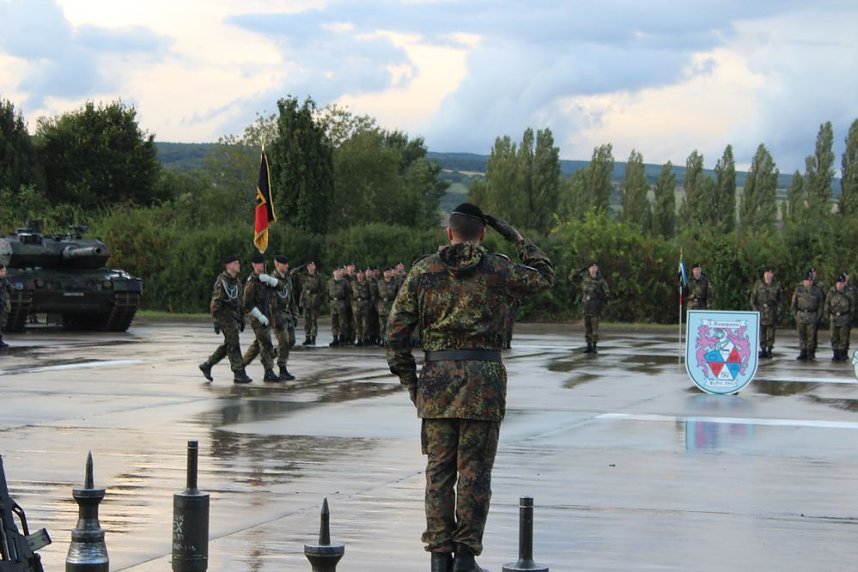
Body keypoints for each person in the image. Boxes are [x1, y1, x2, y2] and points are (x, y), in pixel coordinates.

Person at [386, 203, 554, 572]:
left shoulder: (423, 271)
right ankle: (465, 558)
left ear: (449, 233)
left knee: (439, 473)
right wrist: (517, 238)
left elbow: (395, 337)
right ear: (482, 234)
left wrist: (414, 385)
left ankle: (438, 559)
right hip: (484, 383)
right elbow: (543, 277)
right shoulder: (497, 268)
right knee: (475, 473)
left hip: (436, 384)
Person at [199, 255, 252, 383]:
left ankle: (207, 365)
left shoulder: (237, 283)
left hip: (233, 317)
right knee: (233, 343)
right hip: (224, 316)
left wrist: (242, 318)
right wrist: (216, 319)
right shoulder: (222, 282)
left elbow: (240, 302)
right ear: (228, 266)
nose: (238, 265)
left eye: (238, 263)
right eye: (235, 263)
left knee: (229, 344)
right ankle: (239, 372)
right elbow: (215, 301)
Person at [241, 253, 280, 382]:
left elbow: (281, 286)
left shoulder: (264, 278)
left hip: (267, 315)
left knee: (257, 345)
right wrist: (259, 316)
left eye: (263, 263)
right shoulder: (252, 282)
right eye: (259, 264)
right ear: (253, 265)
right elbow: (247, 303)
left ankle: (240, 367)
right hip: (257, 316)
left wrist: (270, 280)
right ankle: (268, 372)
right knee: (266, 344)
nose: (262, 266)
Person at [569, 261, 610, 353]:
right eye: (591, 267)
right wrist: (580, 270)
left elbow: (607, 293)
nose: (593, 269)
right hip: (586, 306)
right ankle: (588, 346)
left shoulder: (601, 280)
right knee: (587, 327)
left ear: (597, 269)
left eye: (595, 267)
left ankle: (594, 346)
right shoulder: (584, 278)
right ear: (589, 269)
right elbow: (572, 278)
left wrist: (600, 298)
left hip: (595, 306)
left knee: (595, 327)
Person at [270, 255, 299, 380]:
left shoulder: (287, 278)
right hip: (277, 314)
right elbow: (270, 301)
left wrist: (295, 314)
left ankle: (270, 355)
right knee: (284, 342)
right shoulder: (272, 279)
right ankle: (282, 368)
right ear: (277, 264)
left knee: (291, 341)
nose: (287, 266)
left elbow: (291, 298)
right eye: (284, 264)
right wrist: (275, 318)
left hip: (287, 314)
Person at [750, 267, 782, 358]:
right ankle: (763, 349)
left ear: (772, 275)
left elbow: (780, 300)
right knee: (761, 332)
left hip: (772, 311)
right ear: (764, 274)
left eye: (770, 274)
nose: (768, 275)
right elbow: (753, 299)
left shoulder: (776, 285)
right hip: (761, 311)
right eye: (767, 273)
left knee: (771, 332)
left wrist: (778, 311)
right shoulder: (758, 284)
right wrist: (755, 310)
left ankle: (769, 350)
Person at [791, 271, 824, 361]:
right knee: (802, 336)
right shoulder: (798, 290)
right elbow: (794, 304)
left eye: (809, 281)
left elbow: (820, 305)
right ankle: (802, 351)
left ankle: (810, 352)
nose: (807, 283)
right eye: (806, 281)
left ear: (812, 281)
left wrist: (818, 316)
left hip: (812, 315)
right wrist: (795, 315)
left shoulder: (817, 291)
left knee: (811, 336)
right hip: (801, 315)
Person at [824, 273, 853, 361]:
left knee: (843, 337)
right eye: (838, 283)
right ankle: (835, 353)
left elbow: (853, 306)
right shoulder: (831, 292)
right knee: (833, 336)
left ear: (844, 283)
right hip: (834, 318)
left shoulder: (849, 292)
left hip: (844, 318)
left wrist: (850, 317)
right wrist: (827, 315)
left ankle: (843, 354)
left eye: (841, 283)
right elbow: (827, 304)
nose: (840, 285)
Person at [297, 261, 325, 346]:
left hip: (314, 301)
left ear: (315, 267)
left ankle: (313, 338)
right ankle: (307, 338)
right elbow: (292, 273)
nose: (311, 267)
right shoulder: (304, 275)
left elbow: (322, 290)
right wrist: (301, 266)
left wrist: (318, 299)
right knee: (306, 321)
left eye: (312, 265)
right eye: (309, 265)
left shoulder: (319, 276)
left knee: (313, 321)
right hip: (305, 300)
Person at [328, 268, 351, 346]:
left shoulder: (344, 282)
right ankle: (335, 338)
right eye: (336, 272)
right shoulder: (330, 282)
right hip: (333, 304)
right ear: (333, 273)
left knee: (342, 322)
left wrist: (346, 304)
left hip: (341, 303)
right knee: (334, 322)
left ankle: (342, 337)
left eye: (338, 272)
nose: (337, 273)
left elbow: (348, 293)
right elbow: (326, 293)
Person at [350, 269, 371, 346]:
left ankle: (365, 338)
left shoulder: (367, 284)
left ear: (363, 275)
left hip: (365, 304)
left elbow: (371, 295)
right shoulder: (353, 283)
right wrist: (352, 303)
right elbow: (350, 294)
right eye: (358, 274)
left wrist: (369, 304)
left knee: (365, 323)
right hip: (356, 305)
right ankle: (359, 339)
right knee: (357, 323)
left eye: (361, 274)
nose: (360, 275)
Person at [0, 263, 13, 349]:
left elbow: (11, 291)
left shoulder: (4, 281)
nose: (5, 272)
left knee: (2, 323)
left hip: (2, 305)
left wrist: (7, 284)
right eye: (3, 271)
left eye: (5, 271)